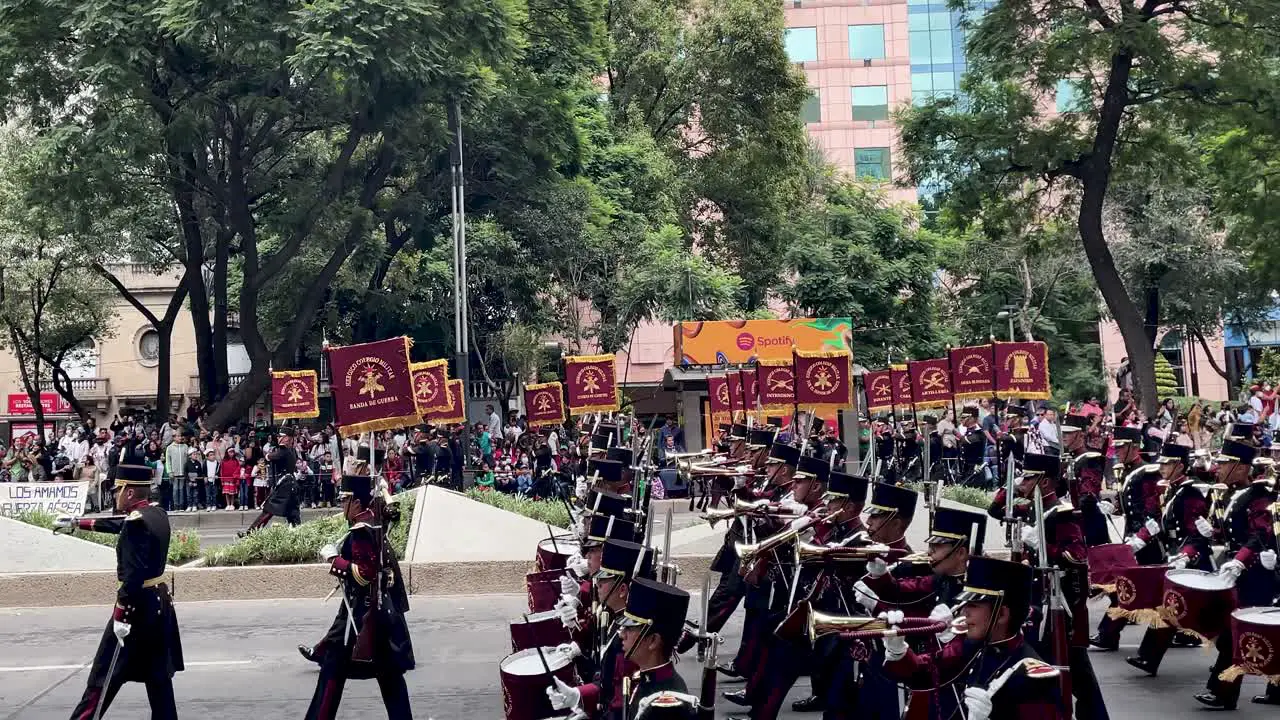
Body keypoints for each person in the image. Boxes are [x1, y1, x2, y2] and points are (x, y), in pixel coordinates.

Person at [54, 464, 183, 719]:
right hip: (159, 607)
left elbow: (132, 579)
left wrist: (121, 616)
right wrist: (77, 522)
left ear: (129, 493)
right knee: (158, 681)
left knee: (102, 679)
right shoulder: (156, 514)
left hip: (136, 612)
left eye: (117, 491)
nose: (115, 496)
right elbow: (120, 525)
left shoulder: (136, 524)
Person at [881, 555, 1066, 719]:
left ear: (1001, 614)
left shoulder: (1031, 677)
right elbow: (924, 672)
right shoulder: (972, 647)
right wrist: (898, 650)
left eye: (974, 605)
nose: (964, 611)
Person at [304, 472, 415, 720]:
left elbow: (363, 574)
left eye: (345, 500)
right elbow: (389, 510)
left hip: (359, 615)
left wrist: (334, 559)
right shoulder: (373, 519)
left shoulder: (362, 530)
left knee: (332, 674)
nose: (342, 505)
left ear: (356, 501)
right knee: (390, 679)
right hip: (377, 612)